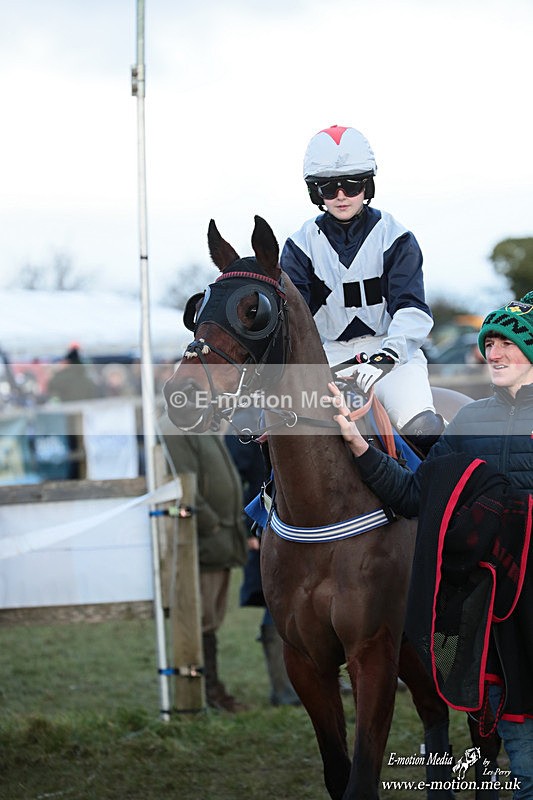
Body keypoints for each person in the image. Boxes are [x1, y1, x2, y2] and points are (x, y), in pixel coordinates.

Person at [329, 292, 533, 798]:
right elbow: (415, 494)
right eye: (491, 343)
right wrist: (358, 444)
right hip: (500, 614)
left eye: (508, 343)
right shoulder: (468, 424)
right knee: (524, 755)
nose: (495, 353)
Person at [281, 124, 443, 451]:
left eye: (351, 184)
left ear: (367, 185)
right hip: (329, 358)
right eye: (328, 187)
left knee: (423, 429)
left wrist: (385, 358)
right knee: (284, 432)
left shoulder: (396, 237)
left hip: (393, 354)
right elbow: (294, 323)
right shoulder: (299, 246)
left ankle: (450, 498)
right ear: (315, 192)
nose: (340, 195)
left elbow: (411, 310)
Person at [159, 417, 249, 712]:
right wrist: (211, 524)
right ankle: (207, 691)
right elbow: (185, 481)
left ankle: (211, 688)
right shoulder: (176, 427)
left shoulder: (198, 425)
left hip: (220, 537)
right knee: (204, 620)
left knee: (211, 618)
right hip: (206, 538)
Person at [225, 407, 300, 707]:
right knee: (278, 603)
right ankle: (282, 688)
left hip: (303, 522)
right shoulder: (244, 423)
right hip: (266, 522)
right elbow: (238, 479)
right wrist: (247, 528)